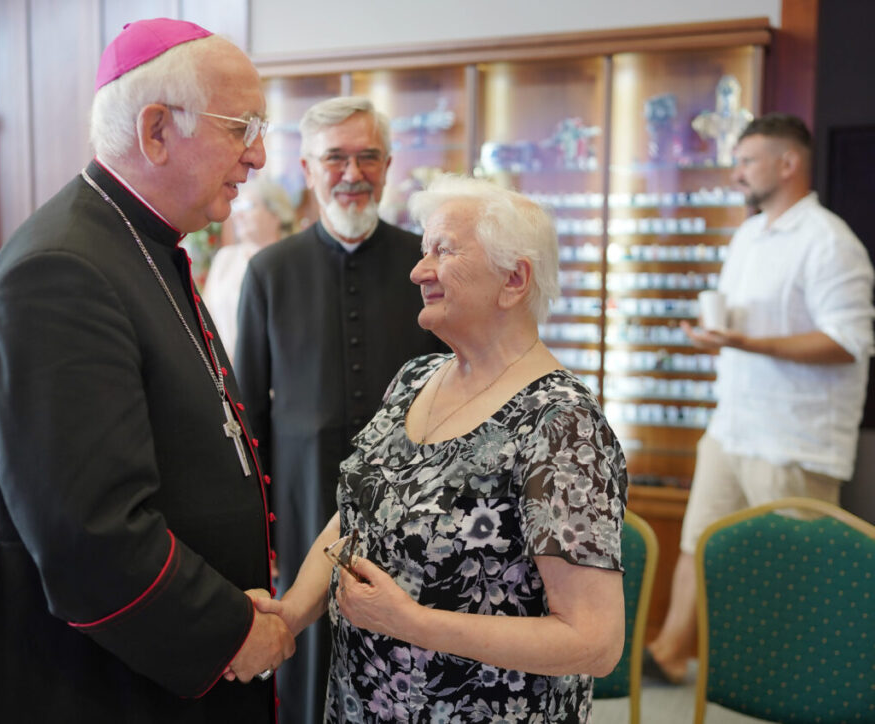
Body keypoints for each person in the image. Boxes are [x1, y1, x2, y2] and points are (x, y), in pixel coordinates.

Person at [0, 19, 294, 723]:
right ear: (156, 129)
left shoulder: (141, 243)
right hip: (82, 677)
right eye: (241, 126)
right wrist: (228, 630)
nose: (257, 155)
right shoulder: (61, 272)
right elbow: (90, 535)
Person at [256, 174, 628, 723]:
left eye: (443, 251)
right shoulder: (415, 378)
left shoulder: (561, 424)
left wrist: (413, 623)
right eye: (424, 249)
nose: (417, 270)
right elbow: (356, 516)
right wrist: (288, 615)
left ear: (513, 280)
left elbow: (595, 642)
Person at [235, 95, 447, 723]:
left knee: (409, 662)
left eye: (367, 157)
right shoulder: (269, 271)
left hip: (413, 503)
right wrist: (263, 523)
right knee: (308, 659)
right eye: (335, 158)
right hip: (303, 503)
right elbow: (248, 415)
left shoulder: (425, 264)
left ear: (388, 165)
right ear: (306, 166)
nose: (352, 173)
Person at [646, 113, 875, 684]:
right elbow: (738, 322)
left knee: (791, 567)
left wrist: (746, 341)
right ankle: (670, 651)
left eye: (747, 161)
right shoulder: (748, 234)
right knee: (698, 543)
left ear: (788, 163)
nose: (736, 173)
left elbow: (848, 343)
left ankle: (790, 681)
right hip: (733, 425)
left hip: (795, 437)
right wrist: (714, 336)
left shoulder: (830, 242)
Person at [203, 177, 295, 359]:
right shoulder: (225, 259)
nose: (238, 215)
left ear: (275, 214)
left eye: (248, 207)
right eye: (236, 207)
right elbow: (205, 318)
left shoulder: (291, 262)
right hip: (224, 371)